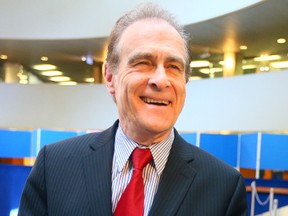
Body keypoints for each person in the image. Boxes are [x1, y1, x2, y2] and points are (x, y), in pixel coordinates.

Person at [18, 3, 247, 216]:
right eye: (143, 63)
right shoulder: (55, 166)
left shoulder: (223, 187)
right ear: (110, 77)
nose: (161, 80)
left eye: (173, 67)